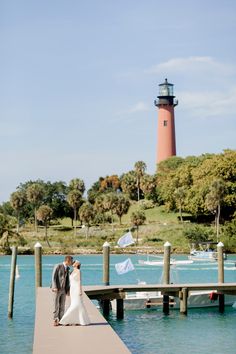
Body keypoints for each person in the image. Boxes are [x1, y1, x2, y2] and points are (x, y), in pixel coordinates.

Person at [59, 260, 90, 326]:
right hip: (72, 289)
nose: (73, 263)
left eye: (75, 262)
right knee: (73, 304)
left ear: (77, 264)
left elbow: (79, 282)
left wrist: (80, 291)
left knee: (77, 304)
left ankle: (65, 320)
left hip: (77, 289)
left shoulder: (79, 271)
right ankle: (76, 320)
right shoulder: (71, 271)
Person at [51, 255, 73, 326]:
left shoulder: (68, 268)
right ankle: (55, 320)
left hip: (64, 290)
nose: (72, 263)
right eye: (71, 261)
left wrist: (68, 290)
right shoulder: (58, 266)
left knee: (62, 306)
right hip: (57, 289)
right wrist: (54, 287)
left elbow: (68, 280)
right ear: (68, 261)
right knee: (56, 305)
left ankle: (61, 320)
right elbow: (53, 277)